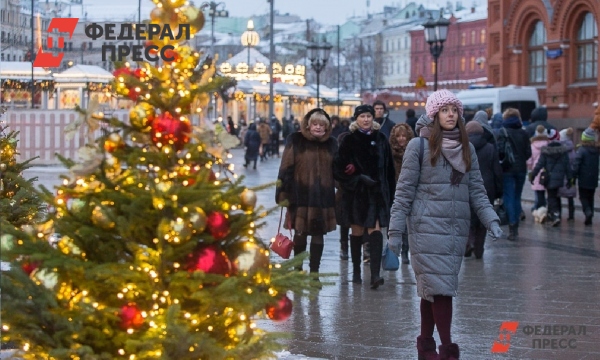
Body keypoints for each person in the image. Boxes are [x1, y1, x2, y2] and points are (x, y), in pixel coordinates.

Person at [388, 90, 502, 360]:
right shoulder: (418, 146)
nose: (450, 114)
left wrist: (491, 220)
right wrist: (395, 232)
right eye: (444, 110)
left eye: (454, 110)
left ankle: (425, 346)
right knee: (442, 290)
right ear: (434, 115)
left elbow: (477, 190)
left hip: (455, 231)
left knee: (433, 289)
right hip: (425, 229)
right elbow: (403, 192)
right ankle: (448, 350)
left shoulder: (468, 147)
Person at [333, 104, 396, 289]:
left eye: (369, 116)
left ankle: (375, 275)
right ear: (356, 119)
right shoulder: (349, 140)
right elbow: (337, 169)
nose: (366, 119)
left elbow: (389, 170)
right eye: (362, 117)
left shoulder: (382, 139)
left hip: (376, 195)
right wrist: (356, 178)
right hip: (356, 196)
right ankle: (356, 271)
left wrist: (389, 195)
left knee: (375, 231)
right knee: (357, 232)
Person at [275, 108, 338, 277]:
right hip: (299, 196)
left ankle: (314, 273)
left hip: (323, 199)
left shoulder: (331, 144)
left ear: (327, 127)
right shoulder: (296, 140)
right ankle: (297, 270)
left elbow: (337, 170)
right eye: (315, 124)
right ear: (308, 126)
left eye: (322, 125)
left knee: (318, 235)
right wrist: (283, 194)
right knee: (300, 234)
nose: (318, 127)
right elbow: (285, 168)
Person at [465, 120, 503, 259]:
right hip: (487, 187)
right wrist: (499, 190)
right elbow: (497, 171)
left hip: (467, 186)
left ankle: (468, 243)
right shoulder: (490, 148)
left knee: (468, 218)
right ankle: (479, 249)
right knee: (483, 220)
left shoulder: (462, 148)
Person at [496, 108, 531, 241]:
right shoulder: (524, 133)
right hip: (521, 169)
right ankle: (515, 226)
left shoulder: (502, 132)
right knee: (517, 197)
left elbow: (499, 151)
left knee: (509, 196)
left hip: (507, 169)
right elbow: (529, 153)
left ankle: (512, 226)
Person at [530, 129, 573, 227]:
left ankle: (555, 215)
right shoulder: (563, 151)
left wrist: (533, 174)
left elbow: (539, 164)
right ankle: (555, 214)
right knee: (555, 196)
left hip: (549, 178)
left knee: (551, 197)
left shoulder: (546, 151)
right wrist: (570, 178)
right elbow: (567, 166)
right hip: (560, 178)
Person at [388, 122, 414, 264]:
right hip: (394, 192)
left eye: (404, 136)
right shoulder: (390, 153)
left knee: (407, 224)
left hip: (410, 192)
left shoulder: (414, 152)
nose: (401, 139)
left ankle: (405, 251)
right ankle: (394, 251)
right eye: (398, 136)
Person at [574, 127, 599, 226]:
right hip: (593, 178)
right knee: (590, 197)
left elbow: (577, 164)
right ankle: (590, 218)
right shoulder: (596, 151)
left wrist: (573, 175)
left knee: (583, 197)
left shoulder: (582, 150)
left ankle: (588, 212)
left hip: (584, 178)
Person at [527, 125, 549, 216]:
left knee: (538, 191)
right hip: (546, 171)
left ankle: (537, 208)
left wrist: (530, 169)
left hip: (536, 170)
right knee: (546, 191)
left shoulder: (532, 145)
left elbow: (529, 160)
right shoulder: (548, 144)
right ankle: (543, 208)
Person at [558, 128, 576, 221]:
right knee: (570, 196)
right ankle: (571, 215)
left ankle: (559, 214)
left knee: (558, 196)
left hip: (561, 175)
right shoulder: (572, 149)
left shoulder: (559, 149)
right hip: (571, 175)